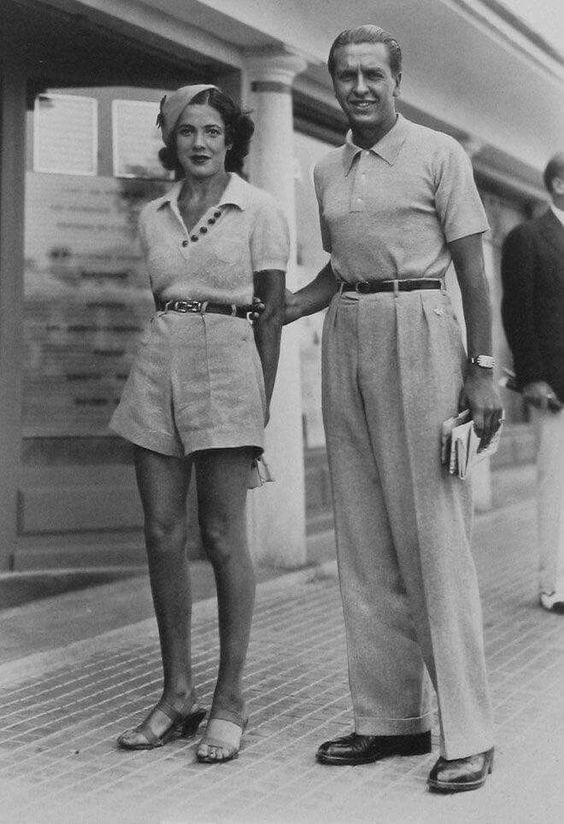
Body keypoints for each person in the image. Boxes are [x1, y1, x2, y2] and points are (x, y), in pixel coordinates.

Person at [285, 25, 503, 792]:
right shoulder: (325, 169)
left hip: (423, 333)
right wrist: (281, 308)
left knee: (434, 544)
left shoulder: (441, 155)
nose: (359, 88)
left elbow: (475, 274)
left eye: (373, 74)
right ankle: (390, 720)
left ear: (397, 78)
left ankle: (470, 733)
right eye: (345, 75)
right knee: (366, 535)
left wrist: (482, 371)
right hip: (349, 334)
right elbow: (337, 273)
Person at [110, 84, 289, 763]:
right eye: (188, 130)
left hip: (229, 366)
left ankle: (230, 698)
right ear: (172, 138)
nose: (201, 142)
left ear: (231, 138)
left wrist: (260, 407)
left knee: (221, 535)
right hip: (158, 365)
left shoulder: (261, 209)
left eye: (213, 130)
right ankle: (175, 694)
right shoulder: (153, 215)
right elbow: (163, 298)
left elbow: (270, 312)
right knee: (161, 532)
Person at [501, 153, 564, 614]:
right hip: (556, 387)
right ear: (559, 184)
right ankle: (556, 585)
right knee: (557, 485)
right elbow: (517, 311)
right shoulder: (528, 238)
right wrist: (534, 377)